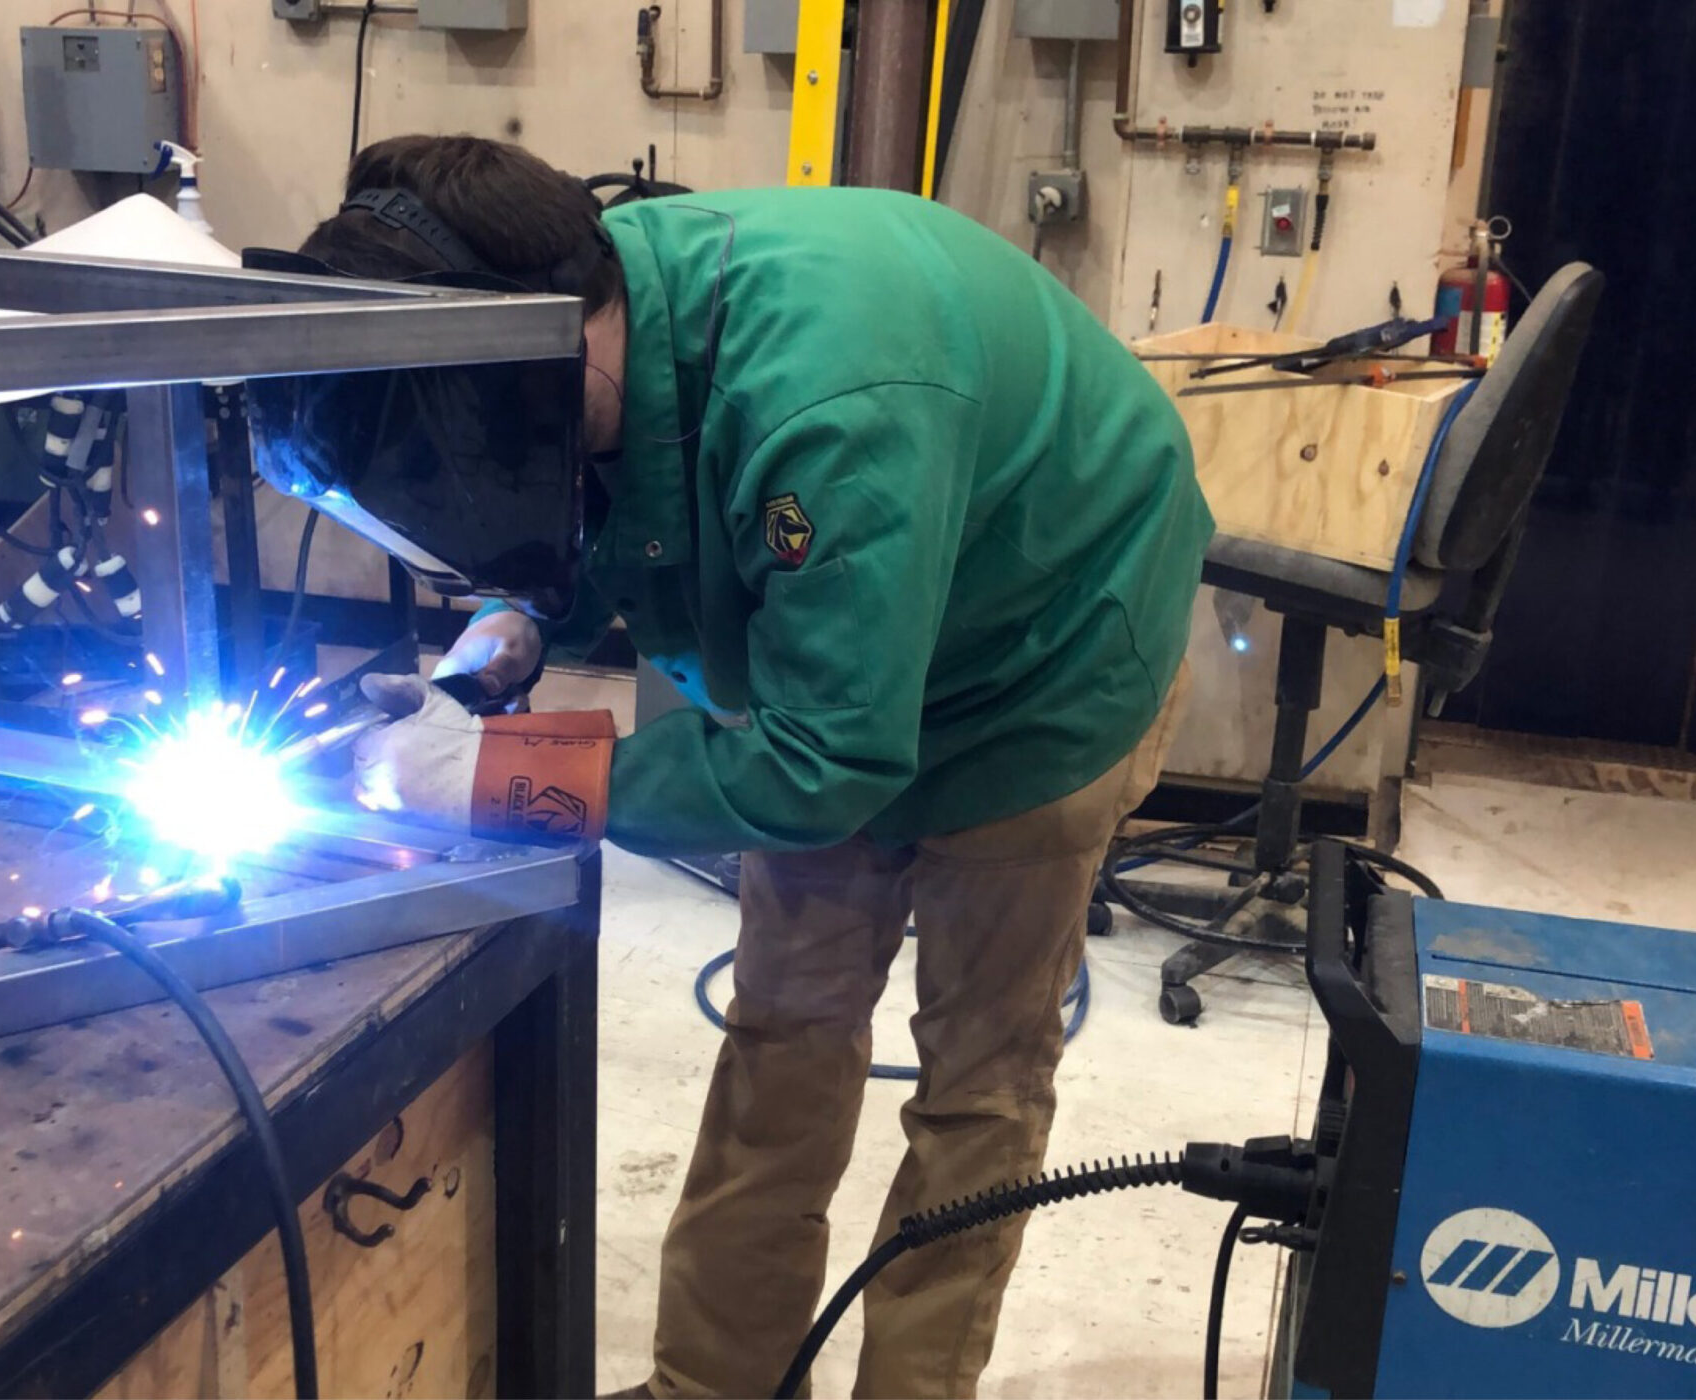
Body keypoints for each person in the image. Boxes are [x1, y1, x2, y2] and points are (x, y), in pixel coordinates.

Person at [298, 135, 1212, 1399]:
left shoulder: (825, 409)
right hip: (849, 641)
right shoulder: (613, 322)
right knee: (784, 1028)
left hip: (1042, 657)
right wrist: (529, 615)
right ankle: (709, 1387)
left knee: (977, 1080)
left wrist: (507, 771)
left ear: (554, 345)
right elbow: (629, 489)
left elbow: (822, 759)